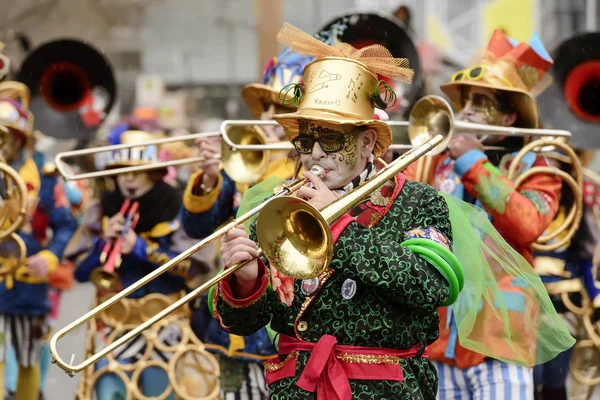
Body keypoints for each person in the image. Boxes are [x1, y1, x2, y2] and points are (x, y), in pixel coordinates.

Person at [210, 23, 464, 399]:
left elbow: (430, 286)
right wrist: (245, 282)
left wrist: (340, 225)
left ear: (366, 143)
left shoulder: (419, 201)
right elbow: (242, 324)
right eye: (306, 140)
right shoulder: (281, 206)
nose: (314, 154)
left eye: (330, 140)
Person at [404, 29, 565, 399]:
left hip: (501, 342)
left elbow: (527, 225)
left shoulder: (535, 168)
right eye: (463, 103)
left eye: (479, 102)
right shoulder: (435, 165)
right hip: (440, 342)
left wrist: (471, 162)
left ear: (508, 117)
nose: (464, 113)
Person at [181, 47, 314, 399]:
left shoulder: (308, 175)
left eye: (282, 111)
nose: (269, 119)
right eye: (266, 109)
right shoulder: (243, 170)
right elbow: (196, 230)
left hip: (280, 321)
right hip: (230, 321)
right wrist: (210, 180)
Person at [65, 128, 211, 400]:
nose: (129, 179)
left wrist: (142, 249)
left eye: (137, 171)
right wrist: (101, 244)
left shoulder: (176, 207)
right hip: (113, 326)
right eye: (122, 171)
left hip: (164, 324)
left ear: (154, 173)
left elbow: (191, 271)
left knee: (161, 393)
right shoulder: (102, 208)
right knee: (110, 393)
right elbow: (81, 274)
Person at [0, 81, 76, 400]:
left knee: (28, 358)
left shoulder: (43, 178)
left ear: (18, 139)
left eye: (4, 136)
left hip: (28, 285)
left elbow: (65, 225)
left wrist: (48, 259)